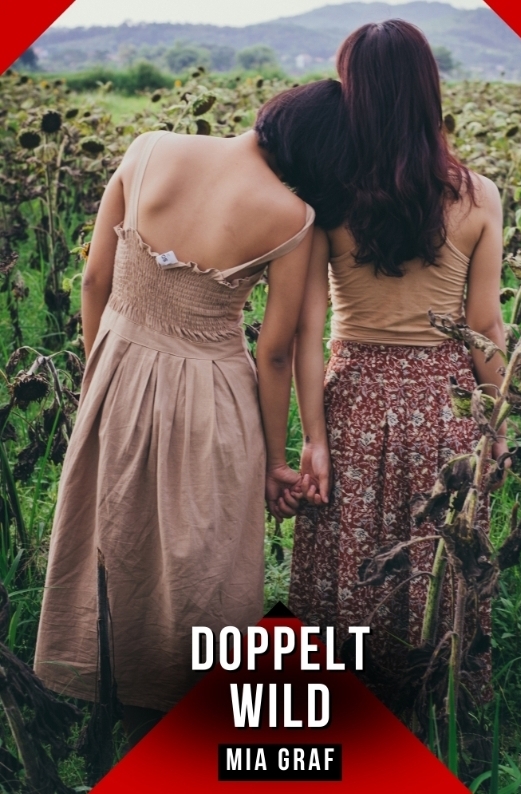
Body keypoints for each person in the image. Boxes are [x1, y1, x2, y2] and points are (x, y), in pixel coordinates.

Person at [256, 21, 507, 713]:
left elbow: (309, 334)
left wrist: (312, 437)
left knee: (349, 562)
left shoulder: (327, 198)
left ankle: (344, 708)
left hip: (353, 399)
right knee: (439, 559)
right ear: (430, 93)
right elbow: (485, 327)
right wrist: (497, 425)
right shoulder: (479, 196)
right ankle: (439, 711)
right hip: (445, 403)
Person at [33, 126, 315, 744]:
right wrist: (277, 461)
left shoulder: (148, 146)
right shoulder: (292, 216)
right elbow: (275, 353)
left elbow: (94, 280)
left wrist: (102, 376)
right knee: (202, 557)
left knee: (113, 533)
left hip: (120, 367)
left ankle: (103, 683)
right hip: (214, 397)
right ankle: (178, 712)